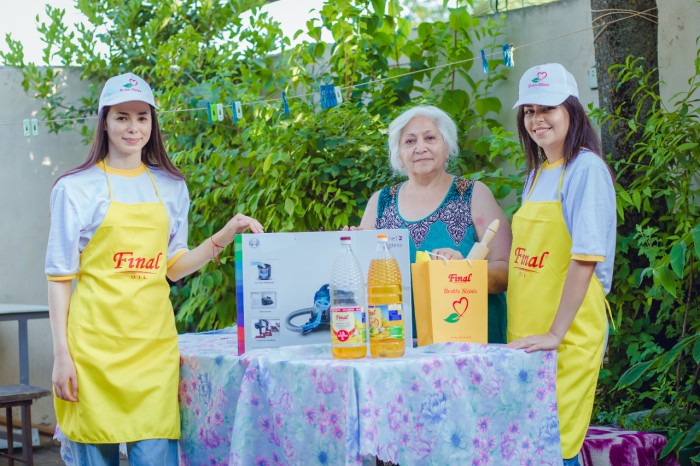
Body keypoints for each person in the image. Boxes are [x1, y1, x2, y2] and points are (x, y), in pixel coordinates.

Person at [45, 72, 264, 465]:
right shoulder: (75, 188)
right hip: (93, 351)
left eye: (142, 117)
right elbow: (61, 278)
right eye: (122, 117)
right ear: (105, 121)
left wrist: (224, 235)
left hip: (153, 349)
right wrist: (62, 356)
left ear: (152, 123)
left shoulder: (170, 185)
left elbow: (173, 267)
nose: (133, 127)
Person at [506, 63, 616, 466]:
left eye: (547, 108)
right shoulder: (536, 174)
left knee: (555, 447)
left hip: (565, 334)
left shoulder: (584, 169)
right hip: (529, 332)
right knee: (529, 449)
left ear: (572, 109)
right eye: (529, 111)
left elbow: (585, 257)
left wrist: (555, 333)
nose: (537, 119)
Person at [356, 105, 512, 343]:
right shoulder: (380, 202)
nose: (421, 148)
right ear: (398, 154)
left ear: (447, 147)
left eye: (430, 138)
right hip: (397, 345)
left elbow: (506, 273)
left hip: (468, 345)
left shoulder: (473, 195)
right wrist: (349, 245)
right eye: (409, 142)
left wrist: (463, 271)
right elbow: (361, 278)